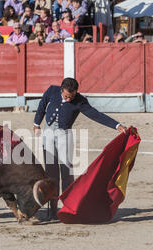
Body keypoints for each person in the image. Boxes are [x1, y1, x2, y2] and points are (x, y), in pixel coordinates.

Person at [33, 78, 127, 219]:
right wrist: (36, 123)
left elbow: (96, 115)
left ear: (76, 92)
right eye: (66, 96)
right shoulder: (52, 90)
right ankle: (52, 209)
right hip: (48, 133)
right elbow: (42, 105)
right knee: (51, 173)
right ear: (61, 90)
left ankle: (67, 206)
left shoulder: (80, 101)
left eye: (71, 96)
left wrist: (117, 125)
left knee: (66, 172)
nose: (69, 99)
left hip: (65, 135)